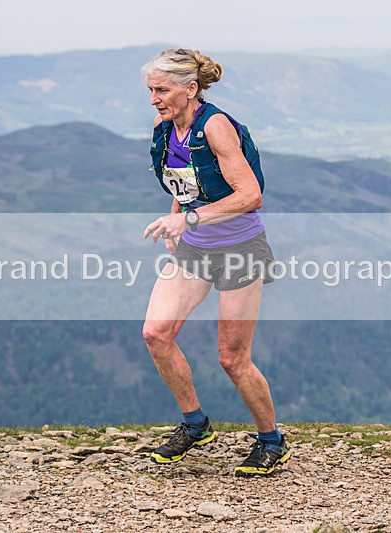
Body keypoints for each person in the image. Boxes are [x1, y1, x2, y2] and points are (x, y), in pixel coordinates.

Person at [141, 48, 290, 476]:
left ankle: (271, 440)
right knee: (156, 333)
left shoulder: (217, 127)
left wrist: (189, 218)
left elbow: (250, 196)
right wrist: (177, 218)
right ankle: (195, 424)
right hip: (194, 249)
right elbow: (185, 179)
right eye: (151, 90)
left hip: (241, 250)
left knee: (232, 358)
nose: (154, 98)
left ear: (190, 89)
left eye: (162, 90)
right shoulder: (165, 126)